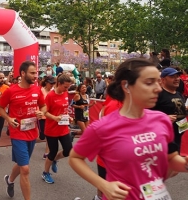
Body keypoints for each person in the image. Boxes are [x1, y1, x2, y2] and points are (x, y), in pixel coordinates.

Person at [69, 58, 188, 200]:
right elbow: (75, 157)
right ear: (126, 86)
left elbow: (172, 158)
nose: (157, 88)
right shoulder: (103, 127)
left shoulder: (162, 120)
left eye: (158, 82)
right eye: (149, 83)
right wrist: (103, 184)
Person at [0, 60, 46, 200]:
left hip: (32, 132)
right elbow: (0, 108)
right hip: (17, 133)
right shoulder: (11, 90)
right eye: (32, 73)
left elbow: (43, 106)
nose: (35, 76)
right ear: (23, 73)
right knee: (25, 169)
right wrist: (8, 119)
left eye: (36, 73)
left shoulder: (37, 90)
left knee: (21, 164)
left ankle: (10, 180)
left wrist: (41, 112)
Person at [42, 73, 73, 184]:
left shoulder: (65, 93)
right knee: (52, 151)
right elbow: (44, 112)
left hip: (63, 128)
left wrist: (68, 117)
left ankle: (55, 159)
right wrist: (54, 117)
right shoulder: (50, 96)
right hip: (52, 129)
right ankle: (45, 173)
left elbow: (64, 110)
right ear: (58, 84)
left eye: (68, 87)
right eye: (65, 86)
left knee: (69, 150)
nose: (67, 89)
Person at [151, 67, 186, 154]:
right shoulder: (158, 95)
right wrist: (164, 118)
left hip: (180, 134)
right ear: (163, 80)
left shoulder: (179, 95)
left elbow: (181, 111)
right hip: (163, 137)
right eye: (172, 77)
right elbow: (146, 114)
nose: (177, 79)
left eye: (178, 76)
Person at [40, 75, 56, 159]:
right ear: (46, 83)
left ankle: (47, 152)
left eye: (53, 84)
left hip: (49, 116)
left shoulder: (53, 92)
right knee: (42, 136)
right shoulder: (41, 91)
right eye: (51, 83)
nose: (52, 85)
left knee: (48, 135)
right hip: (41, 116)